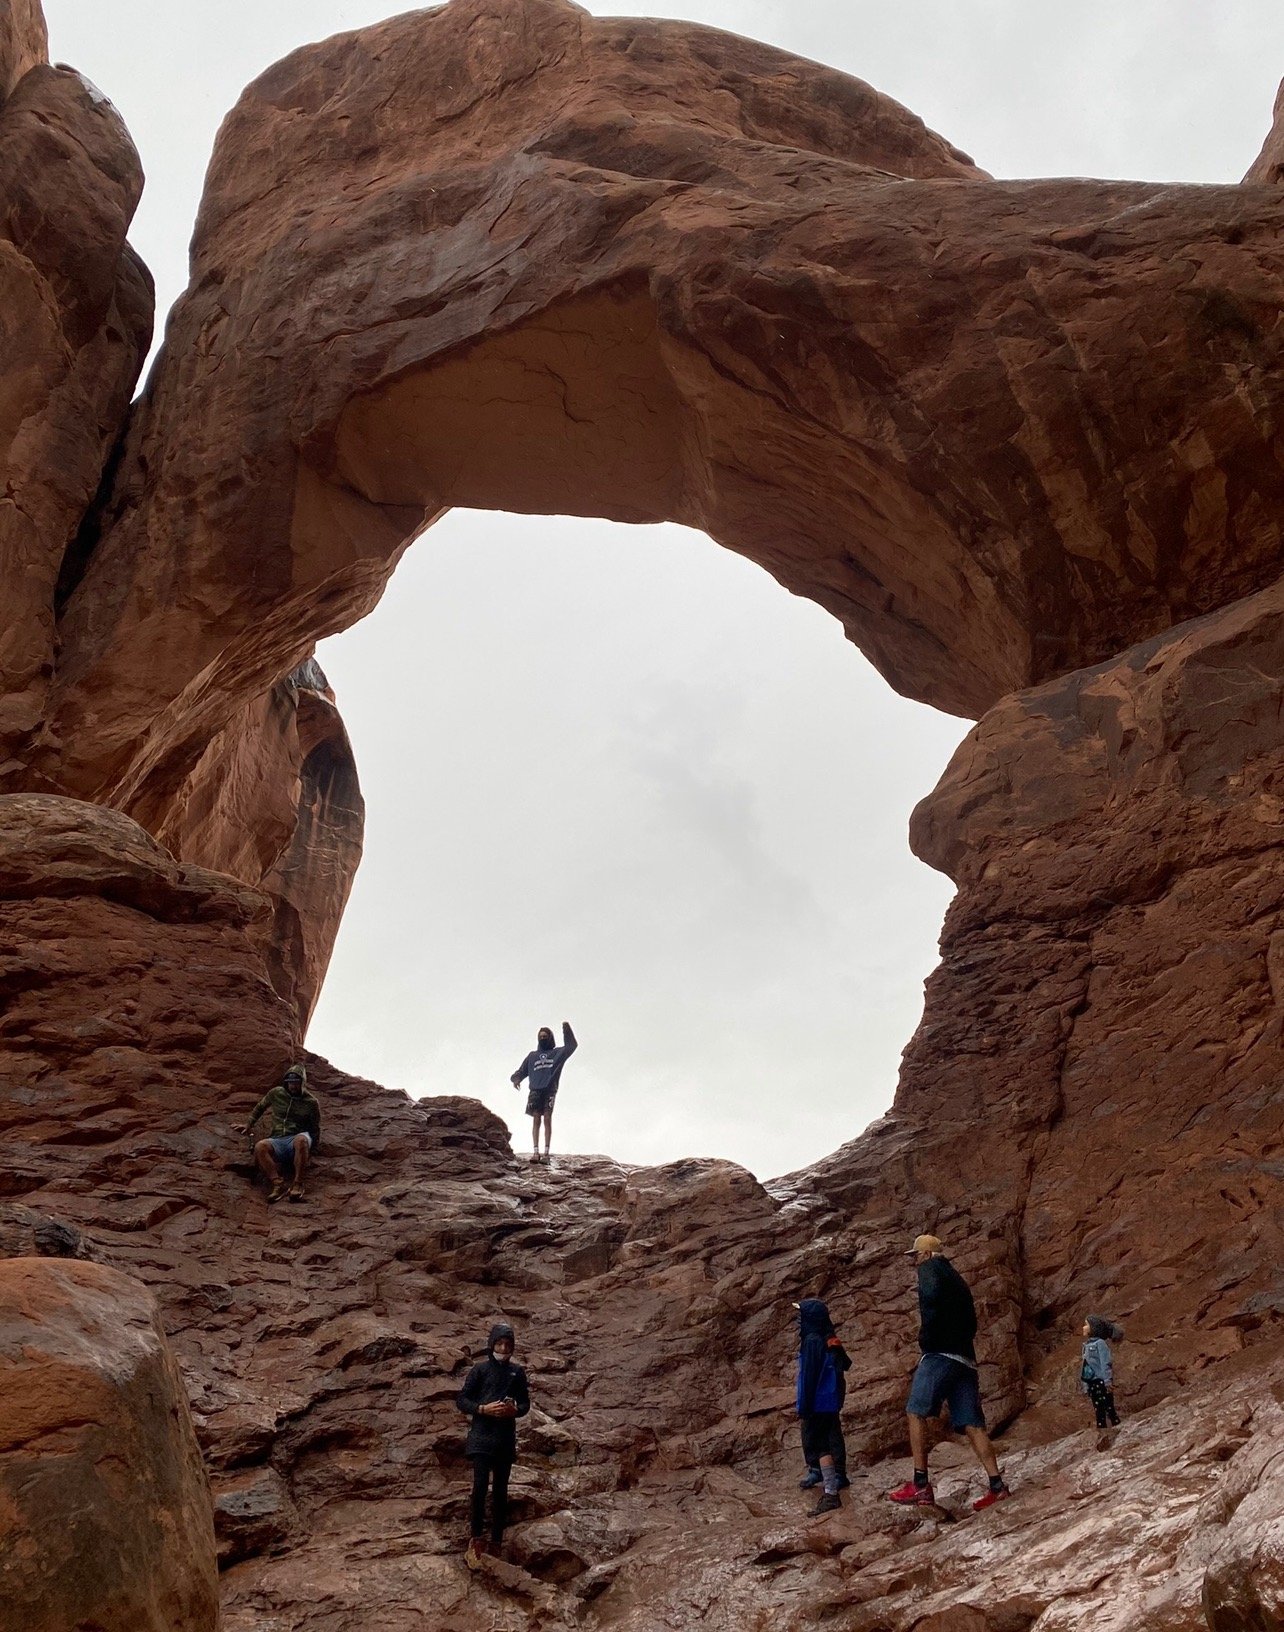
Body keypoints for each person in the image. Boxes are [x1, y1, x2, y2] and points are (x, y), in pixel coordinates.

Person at [887, 1233, 1011, 1511]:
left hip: (940, 1353)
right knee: (973, 1424)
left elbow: (930, 1299)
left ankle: (920, 1485)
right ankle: (997, 1486)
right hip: (965, 1358)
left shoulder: (930, 1269)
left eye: (916, 1255)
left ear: (928, 1254)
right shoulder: (958, 1279)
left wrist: (927, 1338)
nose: (915, 1262)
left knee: (915, 1411)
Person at [457, 1321, 530, 1567]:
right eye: (499, 1343)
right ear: (491, 1345)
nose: (503, 1348)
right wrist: (482, 1408)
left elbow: (525, 1405)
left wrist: (513, 1410)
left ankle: (496, 1541)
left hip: (504, 1438)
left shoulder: (517, 1372)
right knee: (479, 1488)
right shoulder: (479, 1370)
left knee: (501, 1492)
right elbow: (462, 1400)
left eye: (507, 1344)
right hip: (481, 1436)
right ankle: (476, 1538)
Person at [794, 1298, 852, 1515]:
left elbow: (809, 1376)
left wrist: (805, 1406)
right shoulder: (830, 1338)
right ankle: (839, 1474)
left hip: (816, 1401)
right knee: (832, 1434)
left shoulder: (811, 1340)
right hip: (831, 1399)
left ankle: (830, 1492)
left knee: (820, 1444)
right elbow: (845, 1363)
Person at [237, 1062, 321, 1204]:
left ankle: (298, 1184)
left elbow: (315, 1127)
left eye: (296, 1082)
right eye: (290, 1082)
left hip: (297, 1137)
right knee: (260, 1146)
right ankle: (277, 1183)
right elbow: (260, 1106)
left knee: (301, 1140)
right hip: (278, 1139)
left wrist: (313, 1148)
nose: (292, 1085)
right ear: (286, 1082)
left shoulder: (311, 1102)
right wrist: (249, 1124)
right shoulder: (276, 1093)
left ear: (302, 1083)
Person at [510, 1022, 577, 1163]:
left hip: (550, 1090)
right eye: (540, 1036)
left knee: (547, 1118)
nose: (543, 1038)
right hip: (535, 1091)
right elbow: (522, 1071)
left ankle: (546, 1153)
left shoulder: (557, 1053)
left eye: (545, 1036)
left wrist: (566, 1030)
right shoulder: (532, 1056)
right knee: (536, 1119)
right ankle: (536, 1152)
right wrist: (516, 1079)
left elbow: (571, 1046)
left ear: (550, 1038)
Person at [1080, 1315, 1123, 1432]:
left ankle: (1116, 1426)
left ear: (1093, 1328)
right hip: (1092, 1382)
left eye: (1086, 1325)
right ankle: (1101, 1430)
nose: (1083, 1327)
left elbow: (1105, 1362)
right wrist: (1086, 1384)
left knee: (1109, 1407)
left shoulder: (1100, 1344)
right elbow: (1085, 1367)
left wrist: (1107, 1380)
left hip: (1101, 1381)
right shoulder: (1086, 1346)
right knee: (1098, 1408)